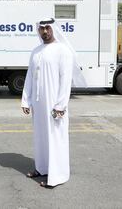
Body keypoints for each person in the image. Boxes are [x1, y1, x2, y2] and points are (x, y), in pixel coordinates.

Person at [21, 18, 86, 188]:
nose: (44, 31)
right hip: (38, 104)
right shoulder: (35, 51)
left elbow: (65, 81)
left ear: (54, 29)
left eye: (47, 28)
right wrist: (26, 100)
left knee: (55, 138)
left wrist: (60, 106)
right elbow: (29, 77)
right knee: (40, 137)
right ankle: (41, 168)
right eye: (41, 28)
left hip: (54, 105)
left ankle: (57, 176)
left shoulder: (62, 50)